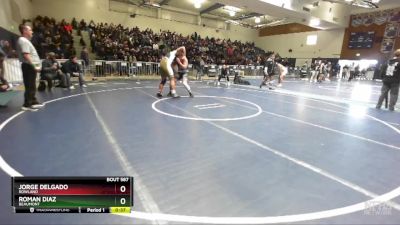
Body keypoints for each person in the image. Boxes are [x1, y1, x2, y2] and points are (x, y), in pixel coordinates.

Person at [16, 24, 44, 111]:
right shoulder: (23, 40)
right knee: (30, 85)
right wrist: (35, 66)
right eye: (30, 30)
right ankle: (28, 104)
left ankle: (32, 102)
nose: (32, 32)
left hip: (29, 66)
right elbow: (26, 55)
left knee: (31, 85)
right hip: (29, 66)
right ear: (25, 31)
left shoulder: (25, 40)